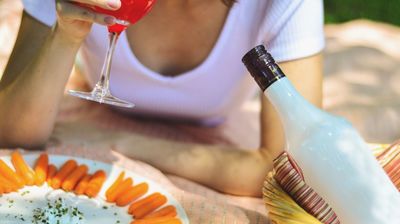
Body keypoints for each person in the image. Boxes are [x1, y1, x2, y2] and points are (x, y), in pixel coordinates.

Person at [0, 0, 324, 197]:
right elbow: (13, 133)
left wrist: (121, 143)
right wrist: (67, 34)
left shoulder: (283, 3)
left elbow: (292, 170)